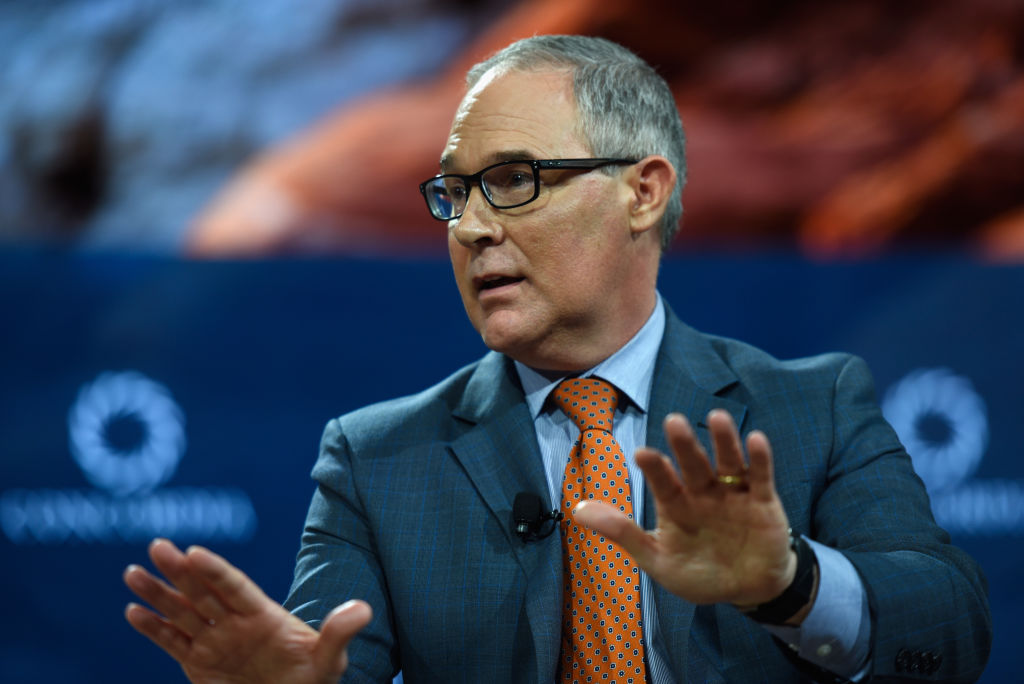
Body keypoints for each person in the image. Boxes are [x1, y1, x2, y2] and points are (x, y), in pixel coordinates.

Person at [123, 35, 992, 683]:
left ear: (642, 192)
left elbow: (951, 635)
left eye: (513, 181)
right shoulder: (376, 456)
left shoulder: (816, 404)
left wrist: (790, 584)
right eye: (454, 193)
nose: (470, 226)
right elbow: (328, 659)